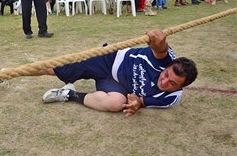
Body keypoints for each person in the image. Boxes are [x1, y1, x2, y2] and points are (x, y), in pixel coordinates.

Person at [40, 29, 198, 117]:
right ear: (166, 67)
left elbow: (141, 101)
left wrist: (137, 104)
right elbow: (161, 49)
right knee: (53, 69)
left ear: (180, 88)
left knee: (116, 104)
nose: (164, 82)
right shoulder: (166, 60)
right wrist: (160, 41)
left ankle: (69, 94)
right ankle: (19, 72)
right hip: (109, 59)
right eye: (166, 75)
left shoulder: (171, 98)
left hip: (116, 84)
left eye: (172, 84)